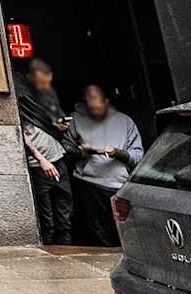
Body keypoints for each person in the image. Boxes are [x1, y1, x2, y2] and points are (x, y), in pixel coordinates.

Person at [64, 82, 144, 248]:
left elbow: (138, 156)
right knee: (97, 238)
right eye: (87, 98)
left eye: (94, 98)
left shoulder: (125, 122)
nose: (90, 102)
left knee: (122, 234)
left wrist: (117, 153)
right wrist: (81, 152)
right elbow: (65, 147)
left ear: (106, 101)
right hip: (88, 184)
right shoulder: (76, 119)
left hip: (118, 186)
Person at [16, 57, 75, 246]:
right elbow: (20, 134)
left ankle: (65, 250)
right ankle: (50, 251)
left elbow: (52, 120)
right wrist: (41, 159)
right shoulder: (21, 98)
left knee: (65, 215)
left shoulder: (43, 98)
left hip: (57, 157)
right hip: (40, 165)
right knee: (47, 219)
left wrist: (59, 126)